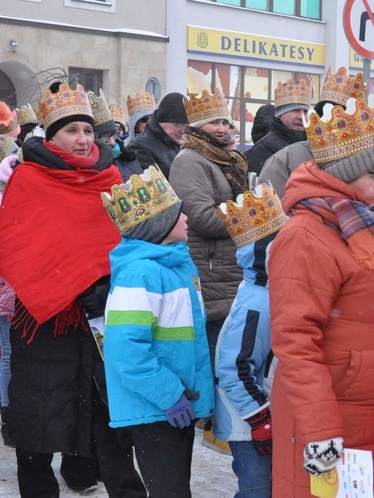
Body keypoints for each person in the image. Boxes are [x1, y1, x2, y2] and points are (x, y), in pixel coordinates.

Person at [268, 95, 374, 496]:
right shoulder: (305, 236)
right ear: (343, 176)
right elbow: (295, 343)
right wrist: (321, 430)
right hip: (336, 420)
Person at [0, 82, 144, 497]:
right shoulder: (27, 177)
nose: (82, 140)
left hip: (103, 312)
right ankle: (39, 488)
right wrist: (60, 280)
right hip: (44, 313)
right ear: (51, 136)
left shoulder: (112, 177)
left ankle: (87, 474)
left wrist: (107, 284)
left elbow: (129, 242)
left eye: (86, 130)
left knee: (99, 406)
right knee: (40, 406)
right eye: (71, 131)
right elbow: (17, 243)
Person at [102, 166, 214, 497]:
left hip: (173, 406)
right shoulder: (141, 274)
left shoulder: (175, 265)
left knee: (175, 488)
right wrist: (170, 395)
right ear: (160, 225)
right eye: (179, 214)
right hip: (156, 407)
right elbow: (125, 349)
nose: (187, 219)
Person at [169, 89, 248, 452]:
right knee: (219, 352)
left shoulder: (227, 159)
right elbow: (199, 217)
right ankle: (217, 426)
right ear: (198, 127)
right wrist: (253, 215)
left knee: (230, 352)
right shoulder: (189, 160)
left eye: (226, 121)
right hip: (212, 268)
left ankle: (225, 425)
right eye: (214, 122)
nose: (223, 129)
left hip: (231, 268)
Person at [214, 177, 288, 498]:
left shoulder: (270, 292)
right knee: (257, 491)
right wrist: (259, 419)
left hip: (262, 413)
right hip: (247, 422)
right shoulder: (257, 302)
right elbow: (233, 367)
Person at [259, 67, 368, 199]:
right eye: (330, 115)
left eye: (346, 118)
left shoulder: (369, 160)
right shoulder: (284, 159)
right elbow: (271, 211)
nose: (337, 123)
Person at [246, 78, 313, 175]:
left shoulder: (313, 144)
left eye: (305, 111)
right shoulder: (264, 148)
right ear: (280, 114)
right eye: (295, 110)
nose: (301, 116)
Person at [0, 134, 19, 449]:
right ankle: (7, 415)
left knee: (9, 354)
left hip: (13, 289)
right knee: (7, 355)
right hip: (6, 290)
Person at [128, 92, 189, 178]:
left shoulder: (179, 144)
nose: (182, 131)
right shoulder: (140, 148)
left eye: (186, 125)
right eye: (178, 124)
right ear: (161, 121)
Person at [88, 90, 144, 179]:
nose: (112, 142)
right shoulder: (87, 169)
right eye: (105, 137)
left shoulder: (130, 159)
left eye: (113, 135)